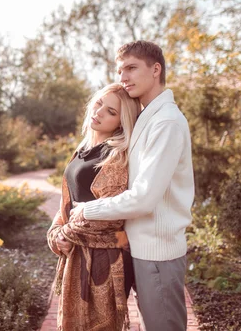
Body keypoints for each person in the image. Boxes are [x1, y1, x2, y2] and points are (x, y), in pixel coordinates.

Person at [70, 41, 194, 331]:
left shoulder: (166, 122)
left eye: (131, 68)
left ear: (155, 69)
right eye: (119, 70)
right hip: (135, 248)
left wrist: (88, 210)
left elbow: (144, 198)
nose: (123, 76)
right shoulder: (145, 119)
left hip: (157, 250)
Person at [47, 83, 141, 331]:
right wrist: (55, 233)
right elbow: (66, 203)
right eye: (99, 103)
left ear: (122, 122)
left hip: (105, 260)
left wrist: (67, 233)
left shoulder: (116, 156)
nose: (99, 112)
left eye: (111, 111)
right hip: (77, 255)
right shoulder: (83, 150)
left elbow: (111, 216)